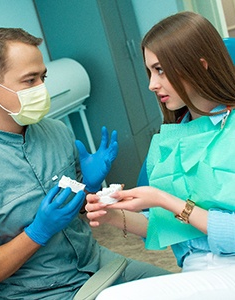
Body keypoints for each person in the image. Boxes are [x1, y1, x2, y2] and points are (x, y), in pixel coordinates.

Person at [0, 28, 170, 300]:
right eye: (30, 80)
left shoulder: (56, 132)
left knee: (187, 290)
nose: (41, 89)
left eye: (42, 77)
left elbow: (80, 207)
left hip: (98, 265)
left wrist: (89, 188)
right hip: (40, 293)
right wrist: (36, 233)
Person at [86, 11, 235, 299]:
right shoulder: (171, 138)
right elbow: (166, 227)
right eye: (150, 72)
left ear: (201, 65)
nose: (152, 84)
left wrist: (163, 198)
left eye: (161, 70)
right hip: (197, 271)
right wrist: (113, 215)